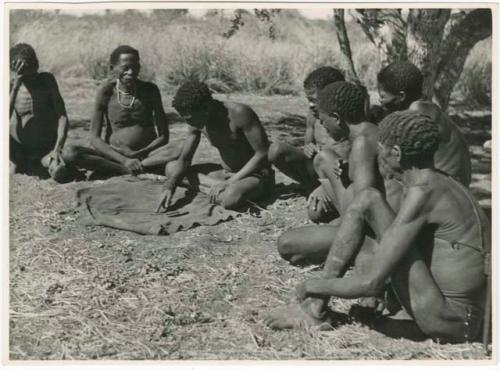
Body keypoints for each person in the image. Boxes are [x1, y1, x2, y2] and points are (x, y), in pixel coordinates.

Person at [265, 111, 489, 344]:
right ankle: (317, 309)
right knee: (368, 205)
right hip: (461, 316)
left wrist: (311, 286)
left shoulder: (423, 191)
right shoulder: (439, 180)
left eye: (381, 150)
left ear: (396, 154)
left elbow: (370, 283)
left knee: (368, 200)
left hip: (450, 322)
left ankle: (312, 309)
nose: (378, 157)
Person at [277, 82, 383, 266]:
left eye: (324, 121)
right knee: (325, 159)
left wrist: (338, 246)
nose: (323, 127)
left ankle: (363, 250)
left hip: (374, 233)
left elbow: (364, 212)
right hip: (361, 215)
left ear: (336, 118)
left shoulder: (362, 144)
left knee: (286, 244)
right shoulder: (372, 132)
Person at [62, 45, 181, 176]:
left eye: (135, 67)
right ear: (113, 68)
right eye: (125, 68)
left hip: (149, 155)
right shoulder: (106, 92)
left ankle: (133, 168)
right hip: (116, 156)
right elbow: (94, 138)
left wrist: (141, 152)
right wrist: (125, 160)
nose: (131, 72)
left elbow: (164, 136)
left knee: (182, 146)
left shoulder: (150, 90)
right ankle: (127, 170)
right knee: (70, 153)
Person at [156, 81, 274, 211]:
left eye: (190, 118)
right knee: (171, 168)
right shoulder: (196, 118)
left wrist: (230, 182)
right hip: (224, 174)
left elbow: (263, 153)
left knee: (230, 199)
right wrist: (170, 186)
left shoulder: (239, 113)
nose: (189, 123)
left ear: (206, 107)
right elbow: (185, 159)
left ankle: (217, 189)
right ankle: (216, 188)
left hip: (255, 176)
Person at [267, 66, 348, 223]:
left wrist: (326, 186)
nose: (311, 105)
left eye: (314, 100)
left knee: (315, 214)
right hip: (317, 169)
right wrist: (308, 146)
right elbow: (308, 142)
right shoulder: (312, 115)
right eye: (308, 100)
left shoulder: (346, 118)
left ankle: (331, 195)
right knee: (276, 150)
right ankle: (312, 186)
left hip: (341, 176)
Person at [377, 61, 471, 187]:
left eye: (383, 96)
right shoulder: (426, 106)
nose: (380, 101)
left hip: (446, 186)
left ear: (401, 96)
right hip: (449, 182)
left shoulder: (417, 111)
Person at [10, 43, 70, 182]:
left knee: (59, 167)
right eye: (25, 71)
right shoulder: (11, 85)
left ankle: (49, 164)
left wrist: (57, 149)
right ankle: (15, 163)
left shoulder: (47, 81)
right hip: (17, 151)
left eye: (32, 68)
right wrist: (15, 86)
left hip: (44, 150)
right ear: (14, 70)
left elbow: (62, 116)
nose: (31, 75)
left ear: (36, 64)